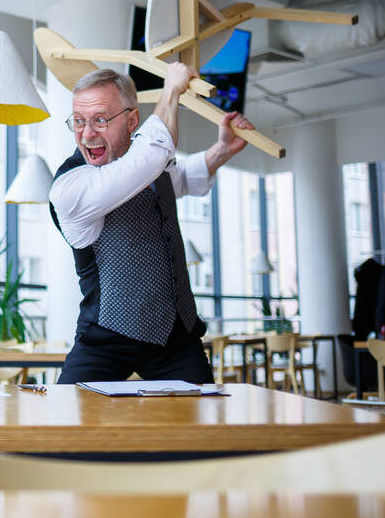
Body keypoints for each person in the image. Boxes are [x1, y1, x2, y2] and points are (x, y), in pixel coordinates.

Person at [49, 65, 254, 384]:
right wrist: (170, 90)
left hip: (175, 337)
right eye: (79, 121)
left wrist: (221, 151)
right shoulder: (70, 188)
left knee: (203, 429)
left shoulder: (147, 165)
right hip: (106, 340)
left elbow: (177, 178)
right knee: (68, 429)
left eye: (100, 120)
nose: (87, 133)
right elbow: (151, 157)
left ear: (132, 121)